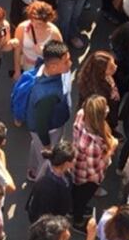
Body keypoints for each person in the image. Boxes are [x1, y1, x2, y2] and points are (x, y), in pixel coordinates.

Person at [26, 41, 73, 181]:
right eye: (66, 62)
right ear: (53, 66)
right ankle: (41, 179)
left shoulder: (45, 67)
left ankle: (32, 170)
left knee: (36, 145)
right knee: (46, 160)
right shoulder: (47, 95)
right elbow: (41, 125)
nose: (70, 64)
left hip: (40, 129)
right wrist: (47, 145)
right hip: (49, 130)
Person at [71, 95, 119, 225]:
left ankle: (75, 208)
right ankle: (77, 219)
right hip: (86, 178)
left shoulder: (81, 114)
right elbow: (94, 170)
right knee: (81, 198)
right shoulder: (92, 144)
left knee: (76, 193)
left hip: (76, 166)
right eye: (105, 109)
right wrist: (111, 149)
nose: (108, 109)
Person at [26, 141, 75, 224]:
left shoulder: (49, 166)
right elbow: (46, 215)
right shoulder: (51, 187)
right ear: (66, 163)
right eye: (73, 159)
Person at [13, 0, 63, 78]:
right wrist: (17, 71)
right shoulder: (22, 28)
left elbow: (61, 55)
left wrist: (44, 53)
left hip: (45, 69)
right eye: (32, 21)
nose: (35, 25)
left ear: (47, 21)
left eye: (40, 24)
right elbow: (17, 51)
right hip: (27, 66)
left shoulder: (54, 33)